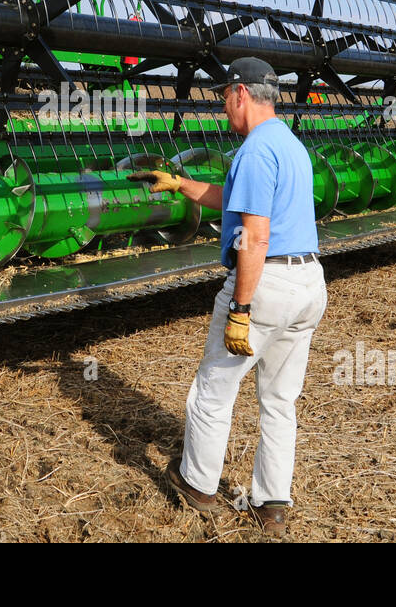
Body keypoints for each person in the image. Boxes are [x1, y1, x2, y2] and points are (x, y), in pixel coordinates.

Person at [129, 57, 326, 536]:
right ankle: (272, 505)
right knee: (279, 401)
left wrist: (241, 307)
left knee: (213, 391)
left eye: (223, 98)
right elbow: (236, 197)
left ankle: (197, 485)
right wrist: (180, 184)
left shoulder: (255, 151)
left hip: (267, 286)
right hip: (309, 283)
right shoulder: (288, 144)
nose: (222, 108)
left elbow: (255, 235)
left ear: (240, 93)